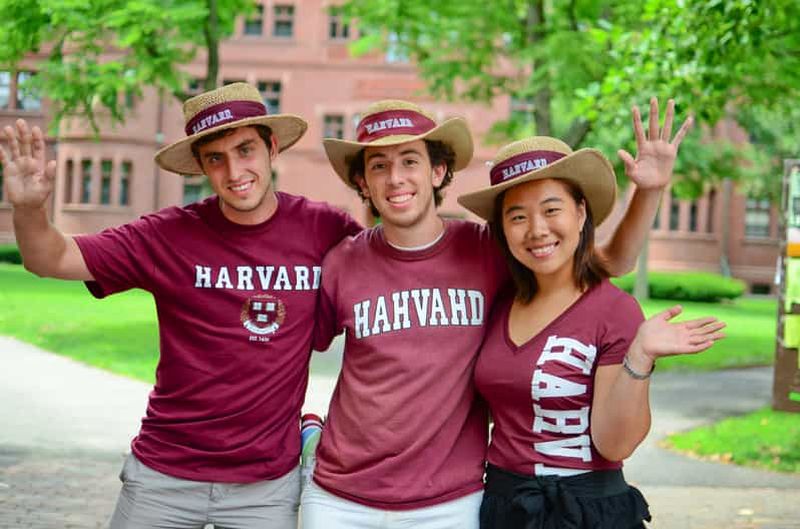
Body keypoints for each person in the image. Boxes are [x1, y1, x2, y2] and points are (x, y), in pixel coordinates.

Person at [301, 98, 686, 529]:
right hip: (342, 497)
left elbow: (606, 261)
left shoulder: (487, 250)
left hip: (450, 501)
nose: (395, 179)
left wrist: (649, 191)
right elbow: (285, 352)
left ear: (438, 171)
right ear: (362, 182)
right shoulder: (343, 263)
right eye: (378, 166)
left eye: (410, 160)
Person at [0, 82, 361, 529]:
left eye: (246, 150)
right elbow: (49, 258)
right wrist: (30, 210)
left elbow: (387, 271)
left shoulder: (323, 228)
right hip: (163, 477)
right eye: (216, 158)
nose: (234, 171)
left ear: (271, 148)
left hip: (265, 487)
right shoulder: (169, 235)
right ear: (201, 168)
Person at [457, 113, 725, 527]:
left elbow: (614, 443)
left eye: (552, 209)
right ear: (503, 231)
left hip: (587, 513)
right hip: (504, 507)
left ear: (581, 214)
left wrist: (640, 357)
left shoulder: (613, 311)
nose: (537, 229)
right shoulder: (498, 300)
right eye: (517, 216)